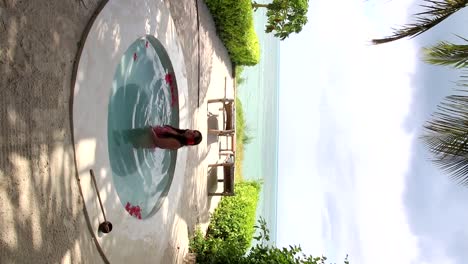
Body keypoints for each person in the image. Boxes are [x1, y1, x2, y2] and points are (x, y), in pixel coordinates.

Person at [118, 125, 202, 150]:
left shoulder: (177, 143)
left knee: (122, 139)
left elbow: (158, 142)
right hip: (146, 134)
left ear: (190, 141)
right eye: (193, 131)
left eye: (193, 135)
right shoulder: (179, 133)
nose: (191, 132)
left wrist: (151, 131)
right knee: (123, 135)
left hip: (146, 139)